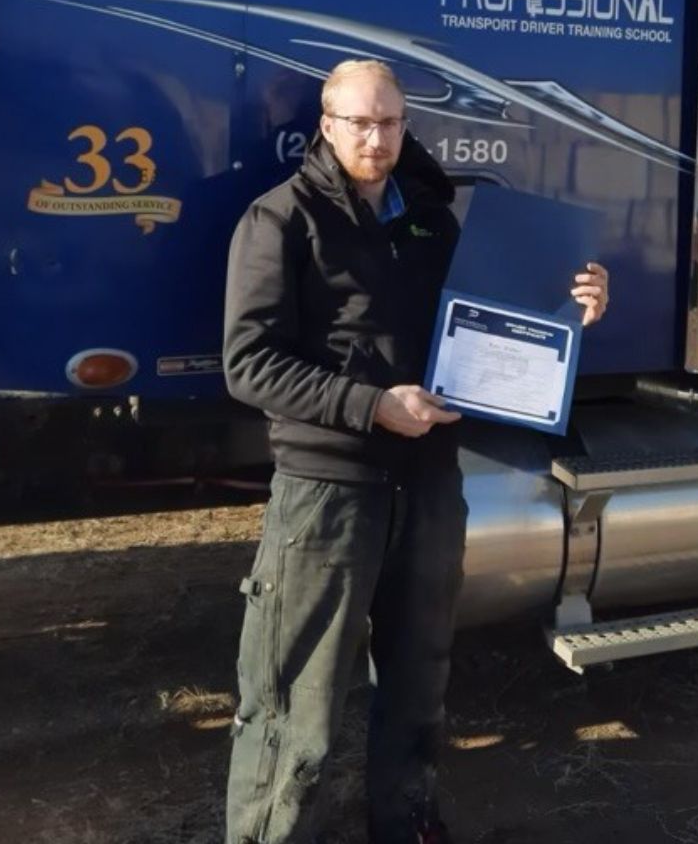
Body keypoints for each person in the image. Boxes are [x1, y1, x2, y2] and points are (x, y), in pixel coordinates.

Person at [222, 58, 609, 844]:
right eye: (360, 122)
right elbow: (247, 363)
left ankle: (407, 824)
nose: (376, 137)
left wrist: (568, 312)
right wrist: (371, 406)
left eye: (390, 122)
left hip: (429, 482)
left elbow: (487, 324)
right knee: (294, 698)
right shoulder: (280, 219)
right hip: (330, 493)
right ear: (326, 125)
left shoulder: (431, 216)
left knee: (418, 678)